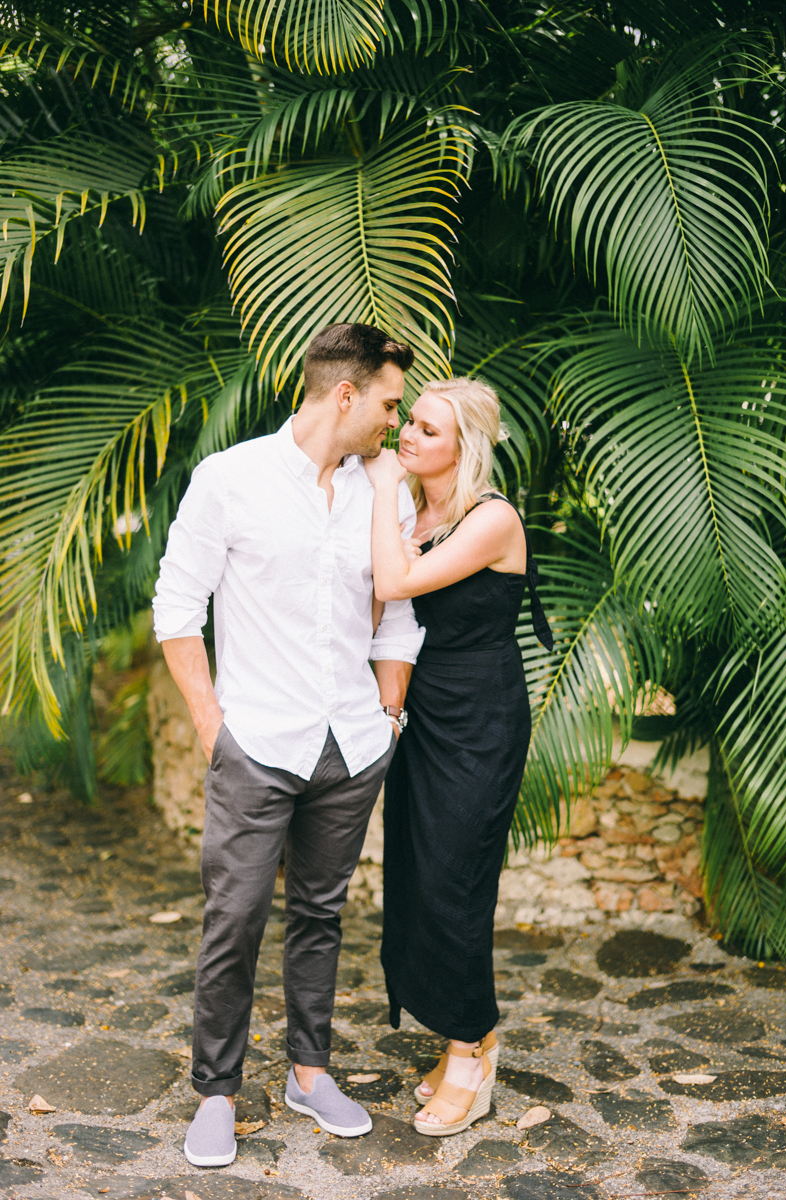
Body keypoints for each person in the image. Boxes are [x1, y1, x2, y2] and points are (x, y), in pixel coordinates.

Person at [152, 323, 425, 1165]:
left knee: (320, 913)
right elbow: (176, 606)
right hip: (257, 741)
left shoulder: (388, 488)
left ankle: (310, 1072)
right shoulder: (229, 480)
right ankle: (218, 1093)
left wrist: (386, 717)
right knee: (233, 918)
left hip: (350, 742)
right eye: (387, 402)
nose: (395, 419)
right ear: (344, 394)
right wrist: (211, 725)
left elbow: (400, 609)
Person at [364, 376, 553, 1137]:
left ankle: (471, 1064)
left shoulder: (490, 517)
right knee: (415, 874)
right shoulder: (425, 510)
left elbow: (395, 581)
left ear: (464, 447)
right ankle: (466, 1037)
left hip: (480, 715)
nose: (408, 435)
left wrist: (380, 489)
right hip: (428, 711)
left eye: (428, 430)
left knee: (455, 881)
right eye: (408, 421)